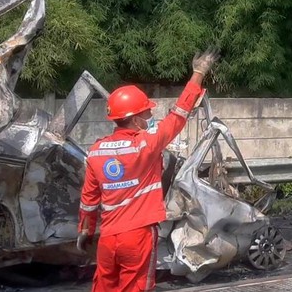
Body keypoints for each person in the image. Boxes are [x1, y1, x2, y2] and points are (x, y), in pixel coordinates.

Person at [76, 49, 219, 292]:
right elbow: (180, 113)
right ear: (134, 119)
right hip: (138, 236)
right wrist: (198, 73)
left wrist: (85, 231)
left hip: (108, 239)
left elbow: (89, 201)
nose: (150, 115)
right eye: (147, 112)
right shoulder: (146, 144)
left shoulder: (96, 151)